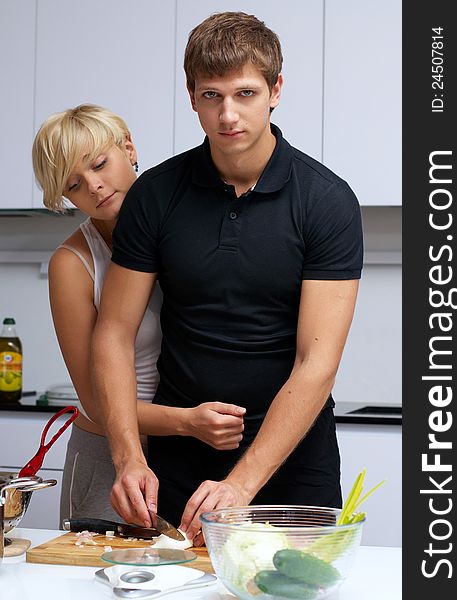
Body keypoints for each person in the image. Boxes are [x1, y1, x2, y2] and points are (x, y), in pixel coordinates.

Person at [92, 11, 363, 543]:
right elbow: (113, 333)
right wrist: (127, 458)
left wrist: (239, 485)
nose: (228, 115)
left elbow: (317, 363)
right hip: (176, 468)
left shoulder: (327, 202)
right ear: (191, 95)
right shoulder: (156, 195)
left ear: (275, 90)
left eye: (244, 93)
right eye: (211, 96)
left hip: (294, 462)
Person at [31, 104, 246, 523]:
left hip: (194, 452)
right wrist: (187, 421)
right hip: (111, 459)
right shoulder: (73, 264)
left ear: (128, 148)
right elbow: (94, 401)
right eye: (74, 184)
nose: (94, 186)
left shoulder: (187, 226)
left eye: (99, 164)